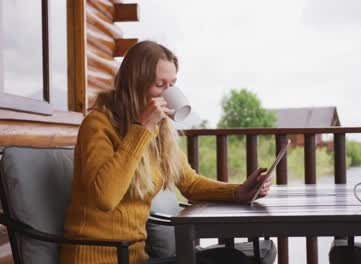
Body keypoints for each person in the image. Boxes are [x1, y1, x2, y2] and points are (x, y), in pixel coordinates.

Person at [60, 40, 272, 264]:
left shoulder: (159, 133)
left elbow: (190, 183)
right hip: (96, 258)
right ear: (134, 85)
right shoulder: (97, 125)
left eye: (172, 84)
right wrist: (141, 130)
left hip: (135, 258)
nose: (169, 93)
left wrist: (238, 192)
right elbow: (105, 198)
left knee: (236, 257)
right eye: (160, 84)